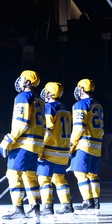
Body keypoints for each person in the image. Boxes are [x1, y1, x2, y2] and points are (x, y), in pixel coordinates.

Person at [0, 70, 44, 223]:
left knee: (13, 174)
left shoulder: (23, 96)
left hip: (23, 143)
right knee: (30, 176)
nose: (20, 81)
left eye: (23, 79)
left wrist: (9, 139)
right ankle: (35, 207)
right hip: (36, 143)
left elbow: (22, 122)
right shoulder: (40, 99)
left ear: (28, 82)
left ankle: (18, 209)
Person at [35, 82, 74, 216]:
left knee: (44, 179)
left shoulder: (48, 107)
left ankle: (47, 207)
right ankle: (67, 205)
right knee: (60, 179)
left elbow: (47, 129)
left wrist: (39, 147)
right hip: (62, 151)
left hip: (49, 150)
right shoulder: (65, 109)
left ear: (49, 93)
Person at [69, 78, 105, 212]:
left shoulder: (80, 105)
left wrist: (71, 145)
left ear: (82, 89)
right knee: (92, 174)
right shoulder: (98, 105)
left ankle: (87, 200)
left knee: (80, 173)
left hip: (84, 144)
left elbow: (79, 127)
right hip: (96, 144)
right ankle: (96, 201)